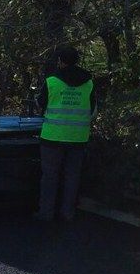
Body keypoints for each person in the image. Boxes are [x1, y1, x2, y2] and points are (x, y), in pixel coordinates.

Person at [35, 45, 96, 222]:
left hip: (52, 137)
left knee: (50, 177)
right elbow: (93, 111)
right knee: (72, 176)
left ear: (60, 61)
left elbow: (40, 104)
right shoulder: (89, 82)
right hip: (78, 138)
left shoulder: (51, 81)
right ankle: (67, 213)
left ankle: (46, 213)